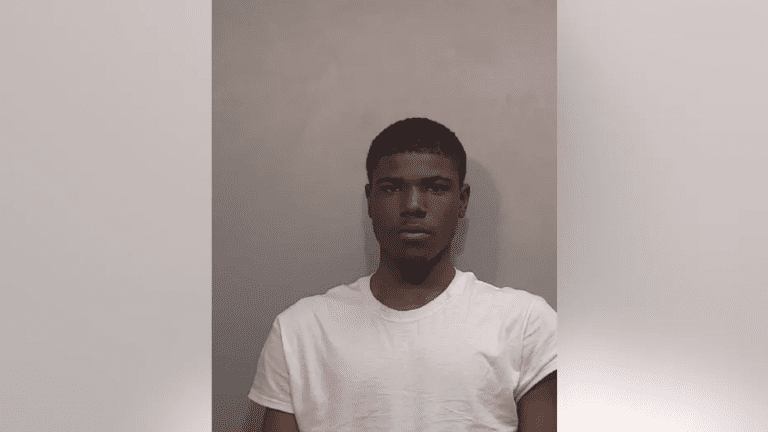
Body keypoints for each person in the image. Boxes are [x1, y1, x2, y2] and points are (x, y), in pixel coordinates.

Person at [242, 118, 557, 431]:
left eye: (435, 188)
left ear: (462, 201)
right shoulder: (299, 332)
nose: (413, 205)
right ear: (370, 200)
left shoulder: (525, 324)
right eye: (392, 188)